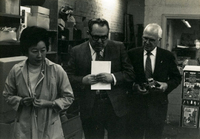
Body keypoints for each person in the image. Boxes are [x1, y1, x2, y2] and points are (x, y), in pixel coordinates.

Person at [66, 18, 135, 139]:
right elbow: (67, 77)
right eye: (96, 37)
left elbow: (130, 74)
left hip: (115, 107)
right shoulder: (77, 51)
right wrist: (83, 80)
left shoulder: (118, 47)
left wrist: (113, 77)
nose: (100, 41)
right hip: (91, 107)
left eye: (104, 37)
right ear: (88, 33)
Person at [3, 26, 74, 139]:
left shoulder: (56, 70)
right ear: (26, 51)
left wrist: (50, 104)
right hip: (25, 125)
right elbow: (7, 95)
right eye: (34, 51)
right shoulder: (17, 70)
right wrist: (20, 101)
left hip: (49, 125)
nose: (39, 55)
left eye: (43, 50)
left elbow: (69, 97)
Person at [128, 23, 181, 139]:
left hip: (157, 107)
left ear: (159, 40)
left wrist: (166, 85)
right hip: (135, 107)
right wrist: (134, 86)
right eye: (145, 38)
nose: (147, 42)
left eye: (151, 40)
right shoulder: (132, 54)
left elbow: (177, 78)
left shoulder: (167, 56)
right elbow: (126, 77)